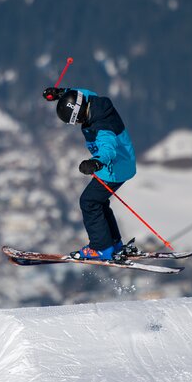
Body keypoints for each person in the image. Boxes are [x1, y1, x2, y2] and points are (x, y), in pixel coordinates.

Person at [43, 86, 137, 260]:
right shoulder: (91, 103)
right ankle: (114, 244)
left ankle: (101, 248)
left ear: (79, 115)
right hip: (122, 164)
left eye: (75, 121)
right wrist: (61, 93)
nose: (77, 124)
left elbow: (108, 149)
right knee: (99, 202)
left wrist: (95, 162)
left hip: (114, 168)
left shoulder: (102, 126)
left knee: (89, 202)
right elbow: (81, 95)